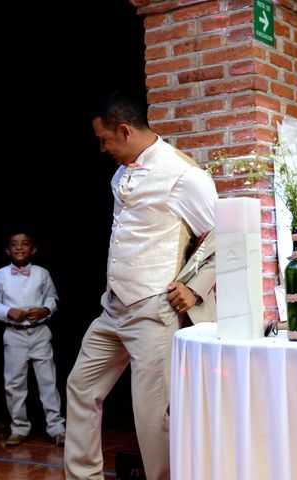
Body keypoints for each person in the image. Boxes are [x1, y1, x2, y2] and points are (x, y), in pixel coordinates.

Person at [64, 91, 218, 480]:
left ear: (125, 130)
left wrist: (196, 286)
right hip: (113, 307)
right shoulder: (121, 173)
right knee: (81, 386)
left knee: (152, 415)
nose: (102, 149)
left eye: (105, 140)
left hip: (152, 310)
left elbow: (225, 234)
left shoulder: (184, 175)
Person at [0, 229, 66, 448]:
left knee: (48, 381)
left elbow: (52, 298)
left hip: (39, 333)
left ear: (34, 248)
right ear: (7, 249)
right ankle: (19, 428)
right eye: (14, 244)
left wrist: (45, 310)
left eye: (25, 243)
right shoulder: (0, 275)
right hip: (14, 335)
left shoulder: (41, 273)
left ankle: (56, 428)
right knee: (14, 383)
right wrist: (7, 311)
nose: (19, 248)